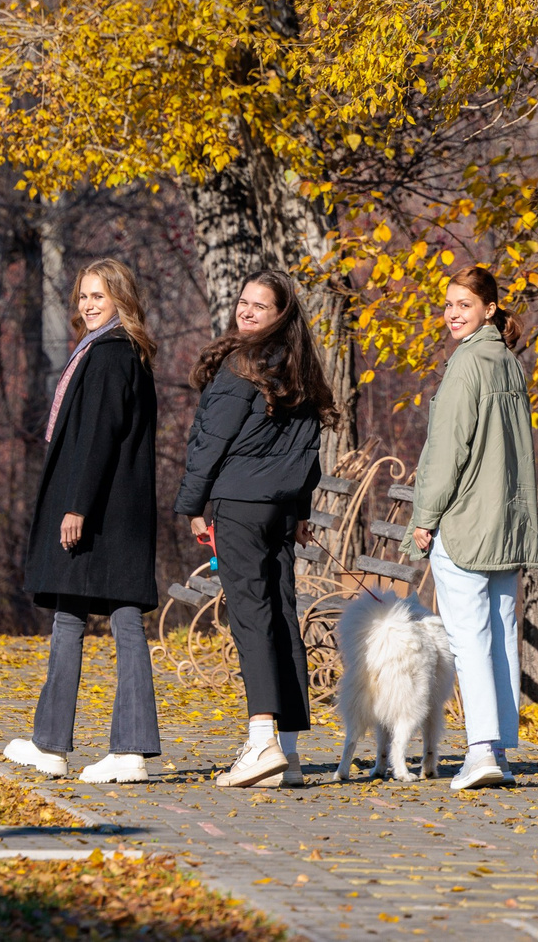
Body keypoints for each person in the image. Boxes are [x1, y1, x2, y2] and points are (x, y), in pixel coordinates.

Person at [175, 269, 336, 788]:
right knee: (281, 614)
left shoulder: (242, 366)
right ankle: (286, 751)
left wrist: (195, 504)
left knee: (252, 618)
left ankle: (262, 738)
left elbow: (209, 443)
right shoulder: (299, 368)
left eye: (259, 306)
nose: (245, 311)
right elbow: (306, 453)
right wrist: (302, 510)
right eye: (243, 302)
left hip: (241, 506)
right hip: (281, 511)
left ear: (280, 315)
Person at [4, 257, 161, 784]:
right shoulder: (106, 350)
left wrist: (77, 506)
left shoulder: (112, 354)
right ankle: (50, 744)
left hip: (105, 514)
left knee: (124, 619)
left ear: (120, 298)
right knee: (69, 617)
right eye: (83, 297)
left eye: (98, 296)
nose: (88, 305)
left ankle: (132, 749)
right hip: (105, 509)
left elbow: (97, 436)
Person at [408, 266, 538, 790]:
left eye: (464, 303)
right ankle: (499, 751)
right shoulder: (508, 363)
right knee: (501, 637)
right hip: (505, 524)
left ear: (489, 308)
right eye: (448, 305)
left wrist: (425, 516)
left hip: (465, 523)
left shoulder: (466, 366)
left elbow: (446, 452)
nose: (453, 313)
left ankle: (482, 751)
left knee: (471, 639)